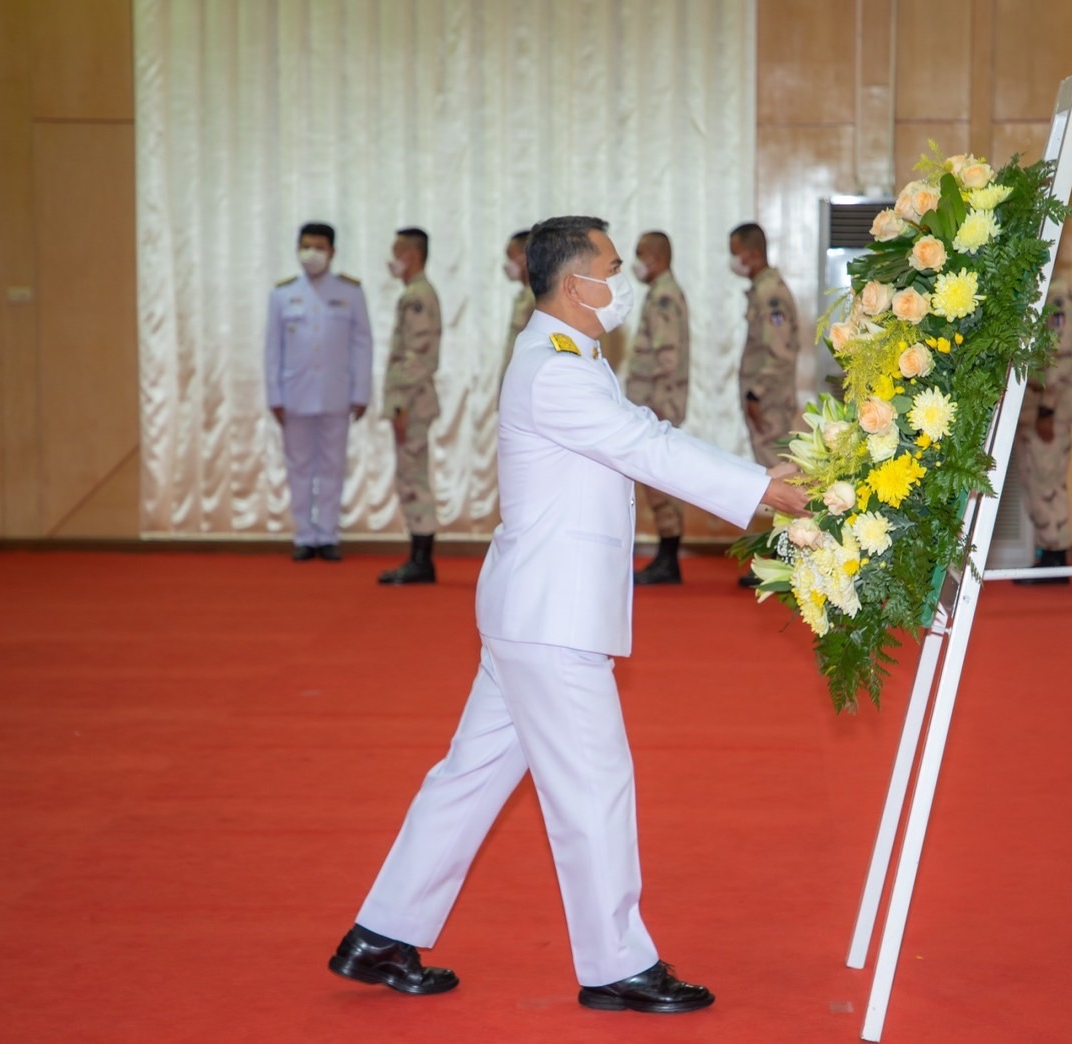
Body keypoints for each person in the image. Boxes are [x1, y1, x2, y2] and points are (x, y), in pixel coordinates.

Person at [328, 216, 809, 1014]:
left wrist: (752, 479)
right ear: (573, 282)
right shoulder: (554, 368)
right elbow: (643, 446)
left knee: (469, 780)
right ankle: (618, 964)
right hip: (550, 619)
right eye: (612, 268)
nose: (621, 282)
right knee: (594, 785)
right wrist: (758, 490)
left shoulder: (570, 357)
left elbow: (643, 437)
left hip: (533, 611)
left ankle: (380, 934)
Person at [264, 221, 372, 562]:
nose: (312, 253)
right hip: (294, 394)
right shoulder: (282, 294)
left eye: (319, 247)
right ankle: (303, 536)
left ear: (332, 252)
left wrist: (361, 392)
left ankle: (327, 535)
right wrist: (274, 396)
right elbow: (272, 348)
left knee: (331, 466)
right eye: (306, 246)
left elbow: (362, 344)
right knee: (298, 467)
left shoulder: (350, 292)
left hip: (335, 394)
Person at [729, 222, 802, 586]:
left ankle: (791, 561)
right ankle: (784, 557)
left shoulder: (770, 293)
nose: (733, 260)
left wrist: (755, 394)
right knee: (775, 476)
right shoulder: (761, 290)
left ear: (752, 253)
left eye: (735, 251)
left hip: (772, 403)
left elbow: (779, 353)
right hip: (765, 401)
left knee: (783, 477)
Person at [625, 231, 691, 585]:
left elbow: (668, 358)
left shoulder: (664, 296)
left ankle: (668, 559)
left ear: (656, 256)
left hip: (658, 403)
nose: (635, 262)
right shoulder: (659, 293)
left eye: (639, 254)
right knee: (656, 481)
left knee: (661, 482)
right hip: (653, 403)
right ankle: (667, 559)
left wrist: (658, 409)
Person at [378, 228, 442, 585]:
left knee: (414, 479)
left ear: (413, 255)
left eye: (397, 249)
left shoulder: (417, 296)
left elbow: (417, 358)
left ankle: (422, 560)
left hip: (413, 403)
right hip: (412, 402)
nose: (393, 257)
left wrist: (400, 404)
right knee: (409, 477)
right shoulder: (415, 294)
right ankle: (418, 556)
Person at [1014, 279, 1072, 585]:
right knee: (1035, 483)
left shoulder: (1059, 299)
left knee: (1046, 483)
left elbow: (1059, 358)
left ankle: (1055, 559)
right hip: (1032, 411)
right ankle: (1047, 555)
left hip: (1047, 414)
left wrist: (1047, 410)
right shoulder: (1039, 294)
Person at [501, 229, 534, 383]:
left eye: (511, 257)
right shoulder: (524, 296)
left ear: (525, 258)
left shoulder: (538, 298)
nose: (507, 264)